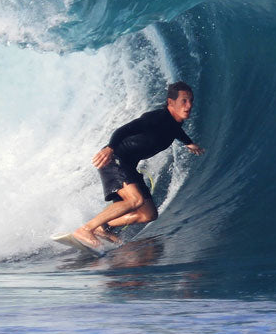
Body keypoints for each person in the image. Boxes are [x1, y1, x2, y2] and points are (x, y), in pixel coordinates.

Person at [72, 81, 204, 249]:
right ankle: (85, 229)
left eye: (191, 100)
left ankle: (103, 227)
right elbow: (123, 130)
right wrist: (110, 148)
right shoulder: (156, 118)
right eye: (184, 101)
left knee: (148, 213)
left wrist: (188, 143)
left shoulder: (174, 123)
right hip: (115, 159)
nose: (189, 105)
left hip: (128, 165)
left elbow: (175, 131)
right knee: (135, 200)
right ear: (171, 102)